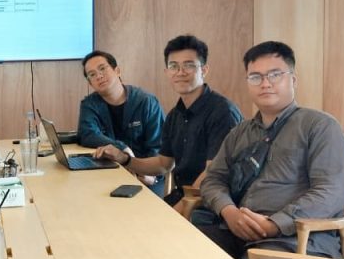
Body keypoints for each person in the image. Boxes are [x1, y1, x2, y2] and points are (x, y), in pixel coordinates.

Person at [199, 41, 344, 259]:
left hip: (299, 243)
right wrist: (228, 211)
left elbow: (331, 192)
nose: (265, 83)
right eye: (256, 77)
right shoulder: (240, 132)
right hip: (236, 231)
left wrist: (275, 224)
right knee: (178, 258)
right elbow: (213, 179)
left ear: (293, 79)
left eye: (274, 75)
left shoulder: (320, 127)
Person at [93, 35, 242, 206]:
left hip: (213, 204)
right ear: (167, 72)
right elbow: (163, 164)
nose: (180, 72)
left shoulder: (222, 112)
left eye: (189, 65)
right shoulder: (175, 115)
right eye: (173, 66)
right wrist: (124, 158)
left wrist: (182, 207)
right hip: (184, 197)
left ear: (204, 70)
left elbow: (213, 173)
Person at [77, 50, 165, 194]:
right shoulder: (90, 104)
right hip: (110, 174)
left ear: (117, 71)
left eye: (102, 69)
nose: (99, 76)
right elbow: (87, 134)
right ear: (90, 83)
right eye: (92, 74)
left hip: (145, 178)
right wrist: (121, 148)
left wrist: (152, 176)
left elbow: (159, 146)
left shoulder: (146, 102)